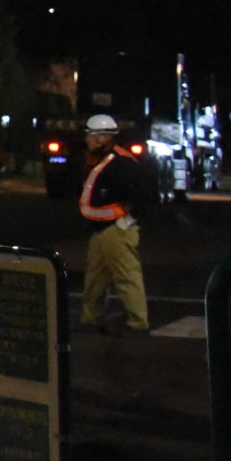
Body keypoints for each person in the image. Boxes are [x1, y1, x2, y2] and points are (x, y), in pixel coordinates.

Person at [76, 112, 155, 334]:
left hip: (116, 229)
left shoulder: (120, 162)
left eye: (90, 136)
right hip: (101, 228)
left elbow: (142, 194)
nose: (87, 140)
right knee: (95, 277)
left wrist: (128, 220)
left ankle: (138, 323)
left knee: (127, 275)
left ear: (102, 137)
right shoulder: (104, 159)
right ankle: (90, 319)